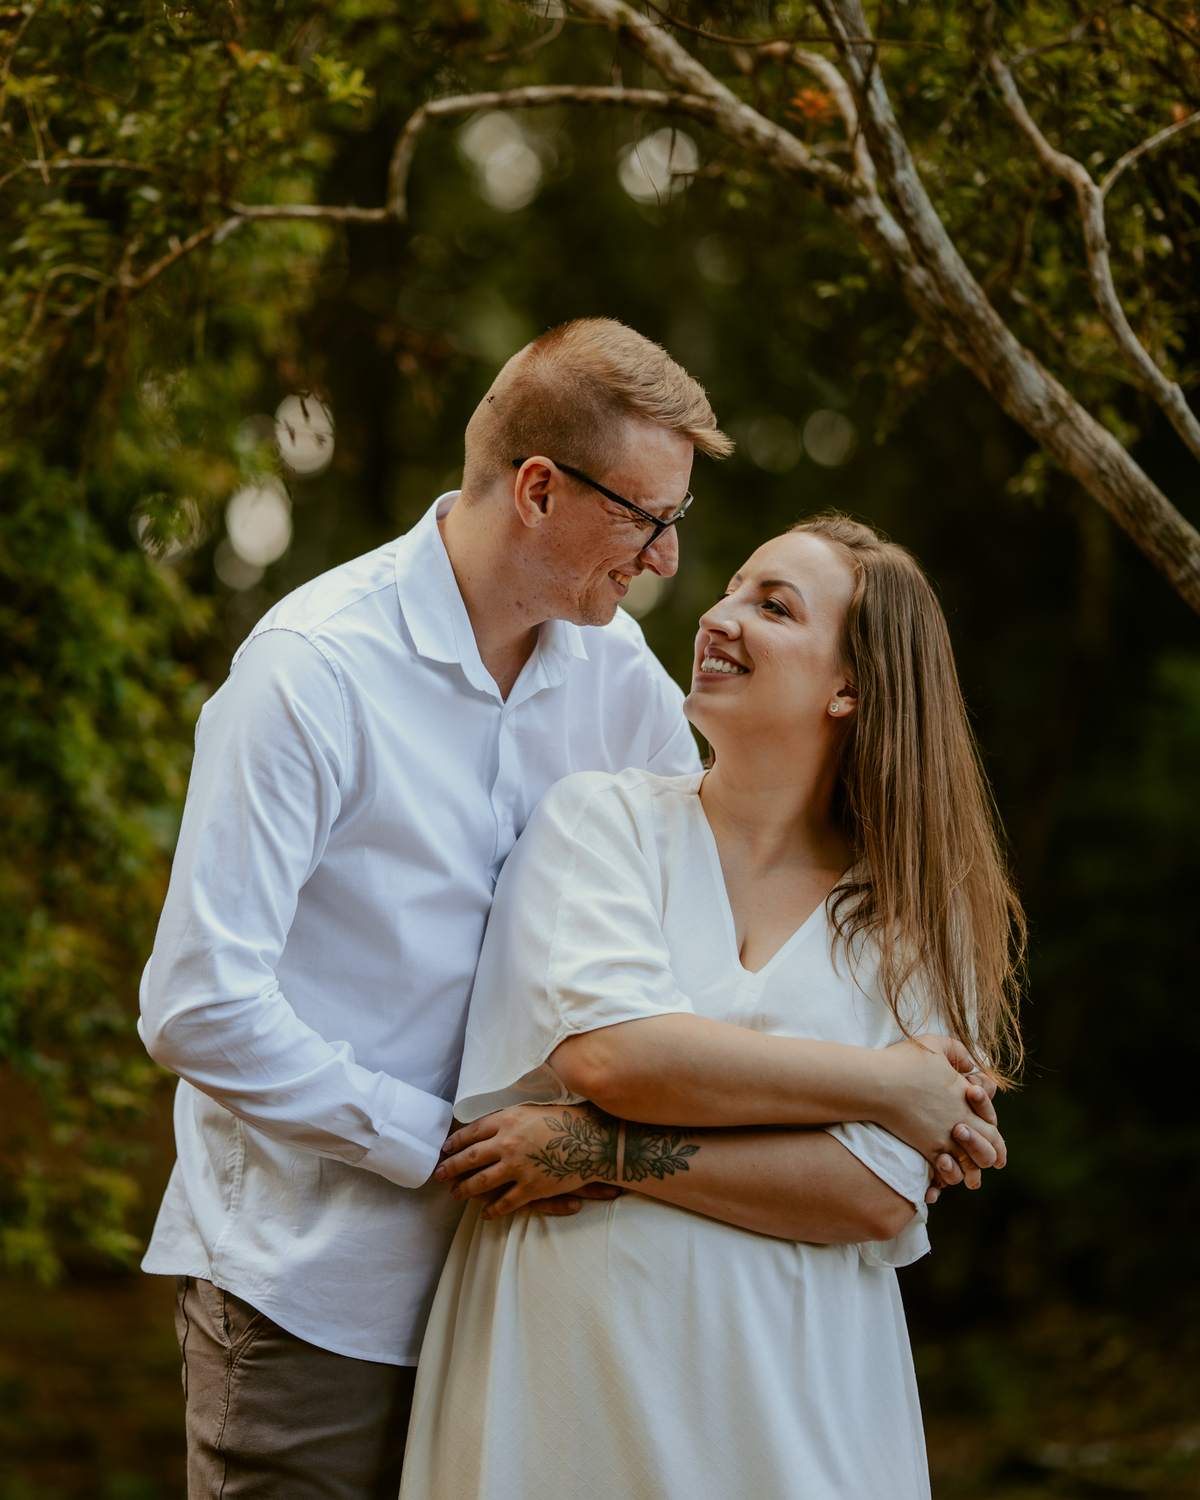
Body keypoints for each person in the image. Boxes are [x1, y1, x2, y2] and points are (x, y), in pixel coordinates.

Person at [139, 315, 999, 1500]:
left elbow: (718, 867)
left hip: (520, 1292)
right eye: (646, 520)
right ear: (539, 490)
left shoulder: (616, 680)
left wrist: (918, 1085)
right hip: (316, 1288)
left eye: (676, 525)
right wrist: (446, 1138)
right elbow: (198, 1004)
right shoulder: (311, 673)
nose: (662, 563)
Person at [404, 514, 1024, 1500]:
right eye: (733, 589)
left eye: (772, 606)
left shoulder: (916, 909)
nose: (720, 615)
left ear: (849, 689)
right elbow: (619, 1060)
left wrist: (597, 1150)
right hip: (565, 1390)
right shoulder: (598, 820)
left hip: (793, 1411)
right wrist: (882, 1086)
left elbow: (870, 1195)